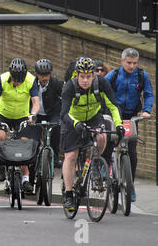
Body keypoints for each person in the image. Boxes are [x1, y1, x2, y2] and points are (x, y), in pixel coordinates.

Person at [60, 57, 124, 211]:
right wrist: (76, 124)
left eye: (88, 77)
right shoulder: (70, 87)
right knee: (71, 156)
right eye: (82, 76)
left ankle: (95, 164)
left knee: (102, 137)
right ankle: (69, 194)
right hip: (73, 120)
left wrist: (119, 124)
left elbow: (113, 106)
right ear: (77, 75)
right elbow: (64, 113)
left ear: (93, 75)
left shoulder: (101, 84)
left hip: (94, 117)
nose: (85, 80)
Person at [104, 48, 154, 202]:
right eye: (129, 63)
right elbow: (100, 91)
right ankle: (104, 174)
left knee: (131, 151)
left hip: (132, 116)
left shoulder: (141, 75)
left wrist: (146, 110)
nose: (132, 66)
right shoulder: (113, 75)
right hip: (114, 114)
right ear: (122, 61)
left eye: (134, 63)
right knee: (109, 145)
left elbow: (148, 94)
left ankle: (130, 186)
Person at [0, 58, 41, 194]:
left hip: (22, 116)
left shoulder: (31, 80)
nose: (17, 83)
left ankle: (25, 178)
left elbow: (36, 102)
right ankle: (1, 164)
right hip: (3, 114)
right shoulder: (1, 80)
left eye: (20, 80)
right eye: (15, 80)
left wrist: (33, 114)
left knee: (24, 144)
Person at [33, 59, 63, 167]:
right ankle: (33, 157)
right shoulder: (31, 83)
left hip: (52, 113)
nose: (44, 78)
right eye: (41, 75)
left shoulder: (57, 83)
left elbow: (65, 99)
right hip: (36, 114)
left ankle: (54, 156)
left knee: (55, 129)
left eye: (47, 74)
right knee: (33, 135)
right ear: (36, 74)